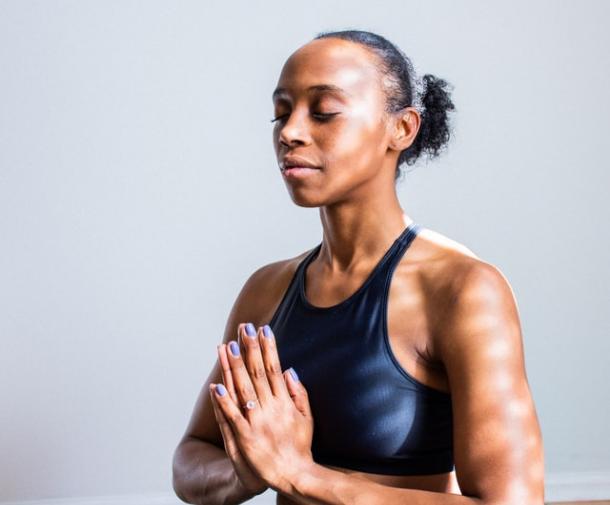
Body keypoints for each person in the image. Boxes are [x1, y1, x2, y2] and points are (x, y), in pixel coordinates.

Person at [172, 29, 545, 505]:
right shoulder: (265, 290)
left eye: (323, 111)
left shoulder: (463, 290)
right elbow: (192, 455)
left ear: (402, 129)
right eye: (281, 112)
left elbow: (513, 503)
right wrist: (247, 472)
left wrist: (301, 477)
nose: (290, 132)